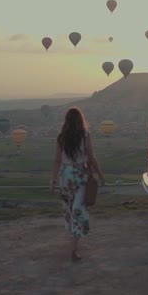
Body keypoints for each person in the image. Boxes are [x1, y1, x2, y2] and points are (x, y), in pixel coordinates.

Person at [49, 107, 105, 261]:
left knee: (71, 210)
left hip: (66, 177)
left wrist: (53, 181)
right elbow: (92, 158)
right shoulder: (85, 135)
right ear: (81, 119)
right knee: (78, 211)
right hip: (80, 176)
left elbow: (57, 161)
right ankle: (74, 249)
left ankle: (73, 241)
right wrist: (100, 175)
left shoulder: (61, 137)